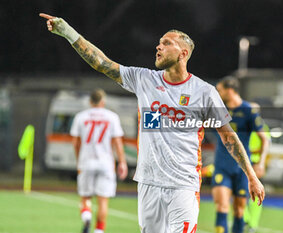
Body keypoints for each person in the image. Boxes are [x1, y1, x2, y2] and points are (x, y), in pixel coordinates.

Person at [40, 13, 265, 233]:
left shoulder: (204, 92)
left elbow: (228, 136)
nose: (158, 47)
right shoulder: (144, 80)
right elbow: (102, 63)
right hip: (148, 184)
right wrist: (68, 32)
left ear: (183, 53)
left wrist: (251, 176)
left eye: (166, 43)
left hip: (183, 186)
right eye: (159, 43)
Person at [212, 78, 269, 233]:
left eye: (220, 90)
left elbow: (265, 139)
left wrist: (261, 163)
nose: (218, 93)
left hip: (242, 169)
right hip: (222, 166)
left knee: (239, 210)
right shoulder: (219, 109)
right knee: (222, 206)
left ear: (230, 90)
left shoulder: (248, 110)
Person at [70, 89, 128, 233]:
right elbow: (117, 142)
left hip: (86, 162)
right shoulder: (112, 117)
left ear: (90, 101)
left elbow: (76, 143)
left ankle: (86, 215)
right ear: (103, 101)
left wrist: (79, 161)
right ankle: (99, 231)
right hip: (106, 163)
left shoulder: (80, 117)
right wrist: (122, 162)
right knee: (103, 201)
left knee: (85, 197)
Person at [244, 121, 271, 233]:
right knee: (239, 192)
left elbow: (266, 145)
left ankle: (252, 224)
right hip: (243, 163)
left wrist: (260, 163)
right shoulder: (243, 125)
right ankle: (245, 219)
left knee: (255, 194)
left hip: (255, 163)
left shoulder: (262, 128)